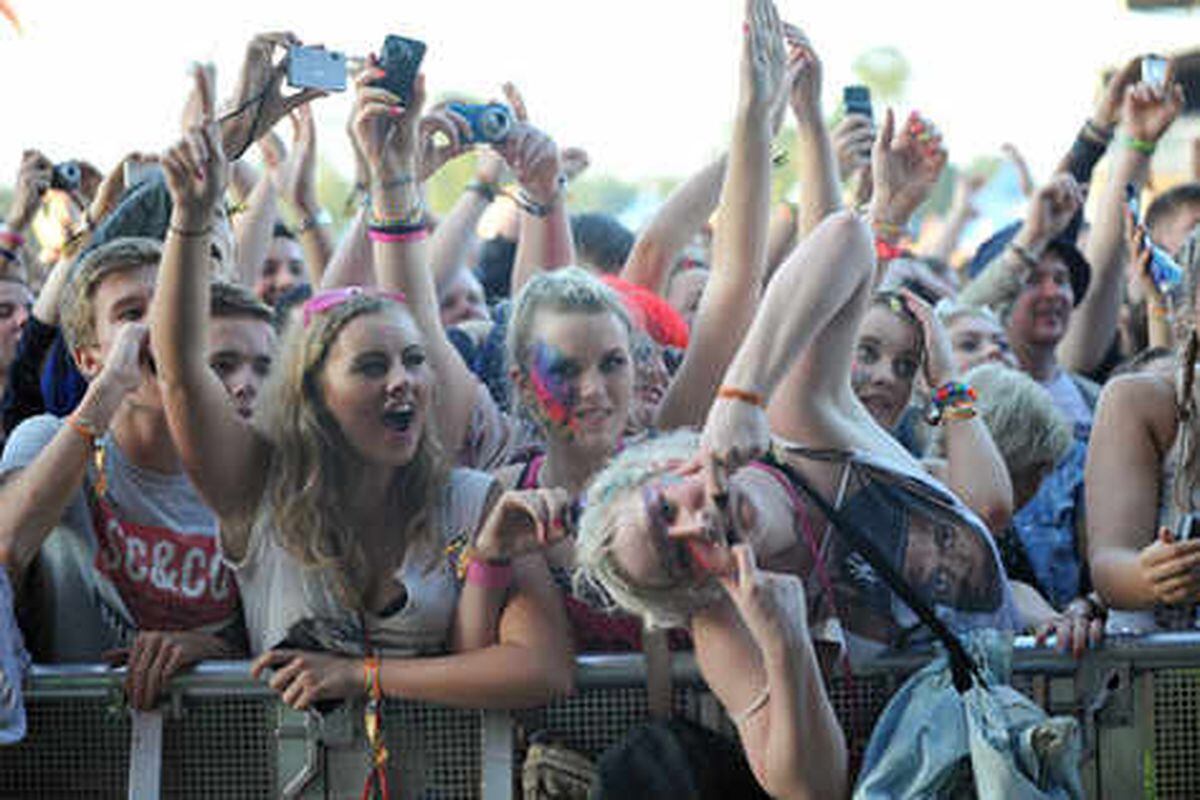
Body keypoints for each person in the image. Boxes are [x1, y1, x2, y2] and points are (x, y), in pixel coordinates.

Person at [149, 62, 572, 792]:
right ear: (312, 393)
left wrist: (360, 674)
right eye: (372, 367)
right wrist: (190, 217)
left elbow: (544, 668)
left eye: (414, 360)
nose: (403, 379)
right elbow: (183, 371)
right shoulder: (258, 490)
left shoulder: (472, 501)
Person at [0, 237, 243, 710]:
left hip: (224, 753)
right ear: (88, 359)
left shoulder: (245, 458)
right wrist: (111, 384)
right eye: (132, 314)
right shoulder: (47, 438)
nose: (159, 324)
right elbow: (6, 544)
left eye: (172, 304)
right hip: (80, 752)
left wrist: (214, 651)